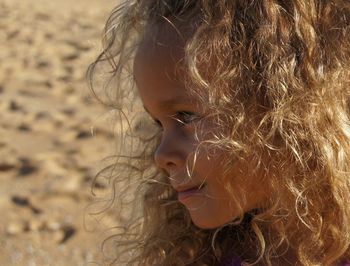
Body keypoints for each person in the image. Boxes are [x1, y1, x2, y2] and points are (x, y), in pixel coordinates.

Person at [88, 0, 350, 265]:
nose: (160, 155)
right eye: (159, 123)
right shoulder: (206, 254)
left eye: (185, 116)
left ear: (292, 109)